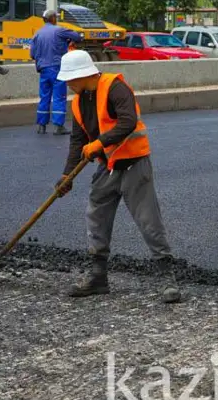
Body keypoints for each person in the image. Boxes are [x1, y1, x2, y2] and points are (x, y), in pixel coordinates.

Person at [54, 50, 181, 301]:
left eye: (70, 79)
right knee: (96, 217)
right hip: (107, 167)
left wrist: (99, 143)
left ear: (83, 74)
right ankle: (98, 277)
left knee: (149, 221)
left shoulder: (115, 87)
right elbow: (78, 142)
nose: (68, 84)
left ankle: (168, 279)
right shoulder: (79, 103)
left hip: (134, 165)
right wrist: (67, 175)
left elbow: (128, 122)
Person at [30, 9, 83, 135]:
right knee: (59, 96)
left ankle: (41, 126)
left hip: (43, 69)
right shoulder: (59, 30)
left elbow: (32, 54)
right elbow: (77, 37)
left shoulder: (37, 34)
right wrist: (68, 41)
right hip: (57, 68)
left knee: (44, 97)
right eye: (56, 17)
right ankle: (59, 126)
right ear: (53, 18)